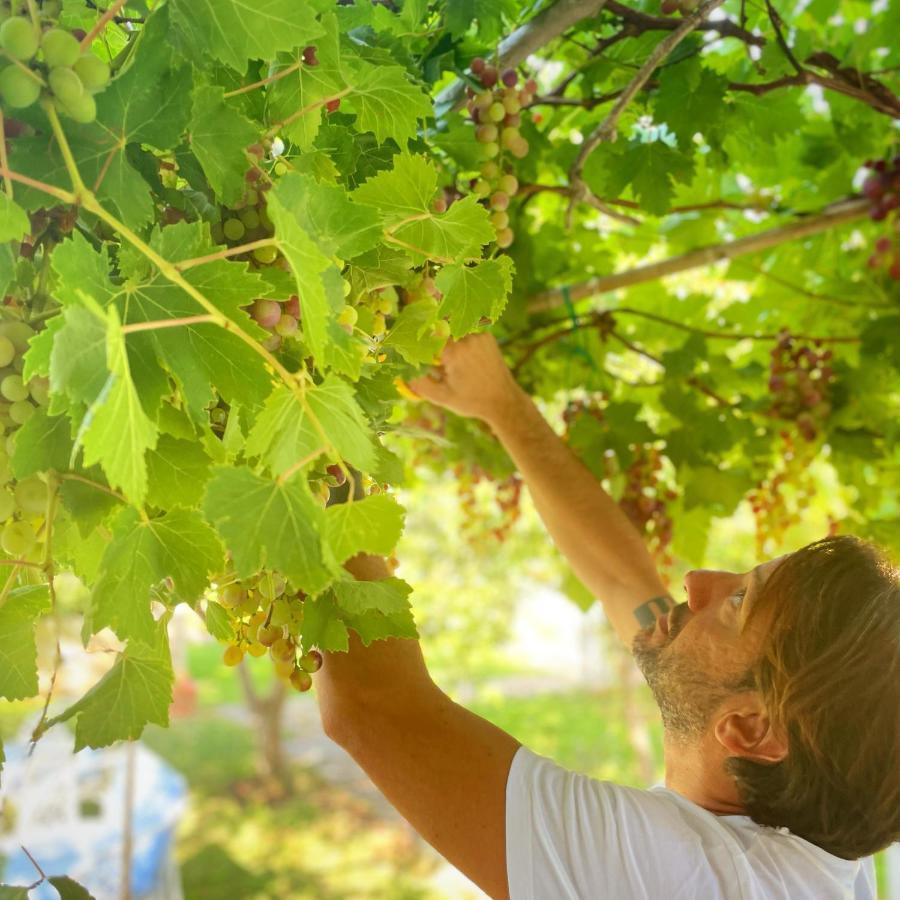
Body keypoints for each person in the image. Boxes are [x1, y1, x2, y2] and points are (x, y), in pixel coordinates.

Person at [316, 333, 899, 900]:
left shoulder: (694, 880)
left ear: (750, 730)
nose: (695, 585)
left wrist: (318, 432)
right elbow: (624, 581)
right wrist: (500, 403)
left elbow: (374, 705)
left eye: (738, 604)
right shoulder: (818, 824)